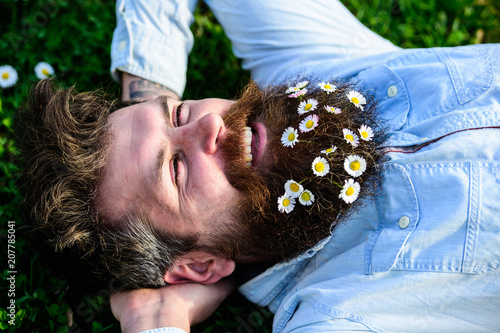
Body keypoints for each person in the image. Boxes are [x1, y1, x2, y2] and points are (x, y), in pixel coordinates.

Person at [14, 0, 500, 332]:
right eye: (177, 170)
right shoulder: (342, 310)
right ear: (199, 265)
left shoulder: (323, 76)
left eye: (181, 113)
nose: (209, 127)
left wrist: (149, 98)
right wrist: (155, 319)